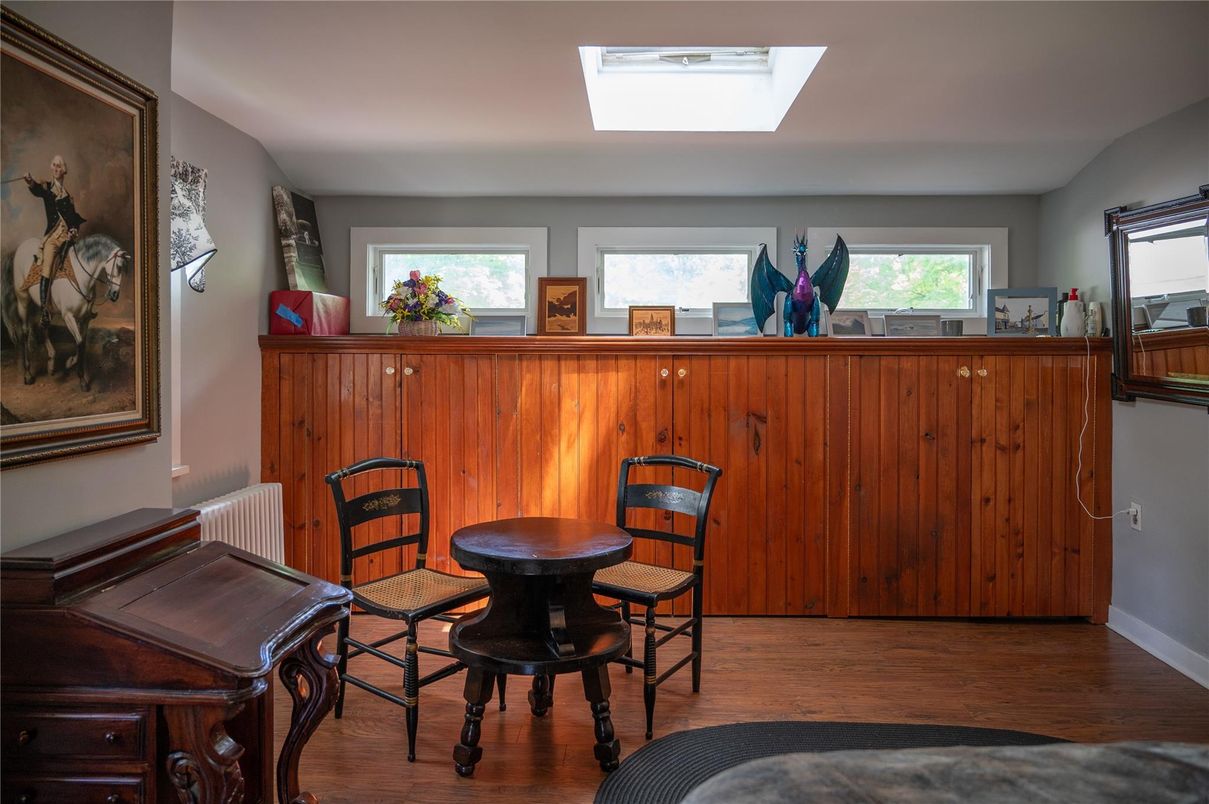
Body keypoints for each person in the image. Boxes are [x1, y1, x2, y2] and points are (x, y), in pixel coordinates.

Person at [22, 155, 86, 326]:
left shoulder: (68, 197)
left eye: (60, 166)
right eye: (54, 166)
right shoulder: (47, 188)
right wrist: (30, 182)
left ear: (64, 170)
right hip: (52, 239)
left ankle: (81, 303)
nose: (57, 169)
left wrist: (73, 230)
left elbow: (73, 220)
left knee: (80, 264)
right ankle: (44, 310)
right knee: (47, 267)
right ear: (52, 168)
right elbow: (37, 190)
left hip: (67, 240)